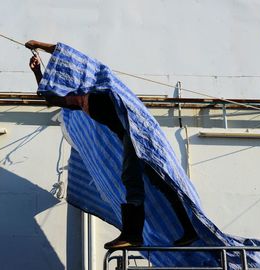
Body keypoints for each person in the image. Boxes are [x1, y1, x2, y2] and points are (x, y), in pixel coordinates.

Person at [25, 40, 198, 248]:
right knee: (154, 181)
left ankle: (138, 234)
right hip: (128, 138)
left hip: (138, 134)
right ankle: (183, 230)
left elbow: (76, 59)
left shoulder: (99, 88)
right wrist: (37, 72)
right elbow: (52, 99)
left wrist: (40, 45)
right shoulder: (79, 102)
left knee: (137, 179)